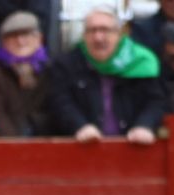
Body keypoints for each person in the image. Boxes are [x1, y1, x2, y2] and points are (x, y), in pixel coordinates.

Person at [47, 4, 167, 142]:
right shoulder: (66, 65)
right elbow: (60, 101)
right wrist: (80, 126)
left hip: (134, 148)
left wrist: (145, 125)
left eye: (105, 30)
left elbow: (157, 101)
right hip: (83, 148)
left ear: (119, 34)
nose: (98, 38)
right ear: (84, 35)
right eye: (92, 31)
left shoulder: (141, 62)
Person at [0, 8, 50, 135]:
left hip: (47, 142)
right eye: (13, 36)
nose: (20, 41)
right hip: (8, 144)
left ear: (39, 38)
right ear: (3, 42)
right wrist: (17, 147)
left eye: (26, 34)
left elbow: (56, 109)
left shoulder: (52, 69)